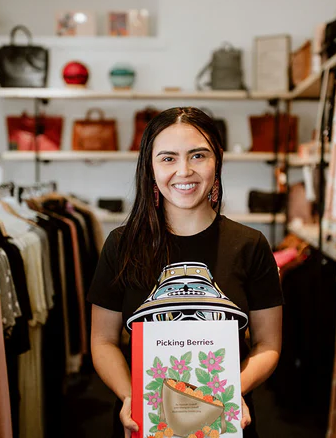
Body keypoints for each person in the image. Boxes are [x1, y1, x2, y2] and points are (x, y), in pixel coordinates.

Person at [87, 107, 284, 438]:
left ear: (217, 162)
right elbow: (102, 340)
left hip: (225, 422)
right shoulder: (121, 245)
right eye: (167, 158)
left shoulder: (250, 245)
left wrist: (231, 394)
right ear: (149, 168)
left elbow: (268, 344)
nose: (184, 170)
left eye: (198, 155)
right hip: (145, 421)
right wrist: (129, 395)